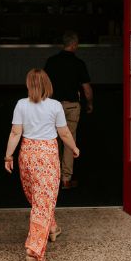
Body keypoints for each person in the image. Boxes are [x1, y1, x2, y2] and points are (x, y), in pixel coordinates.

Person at [4, 68, 80, 261]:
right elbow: (64, 133)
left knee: (38, 197)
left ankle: (52, 228)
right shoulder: (55, 106)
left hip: (27, 153)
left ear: (29, 85)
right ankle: (33, 250)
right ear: (48, 85)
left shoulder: (21, 104)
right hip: (47, 155)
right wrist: (74, 147)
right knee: (42, 201)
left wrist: (8, 155)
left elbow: (15, 133)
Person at [44, 31, 93, 190]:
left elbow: (44, 85)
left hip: (52, 106)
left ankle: (54, 176)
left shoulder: (51, 62)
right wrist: (90, 104)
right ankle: (66, 178)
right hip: (71, 106)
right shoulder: (79, 63)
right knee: (69, 141)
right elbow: (87, 90)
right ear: (74, 44)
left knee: (54, 140)